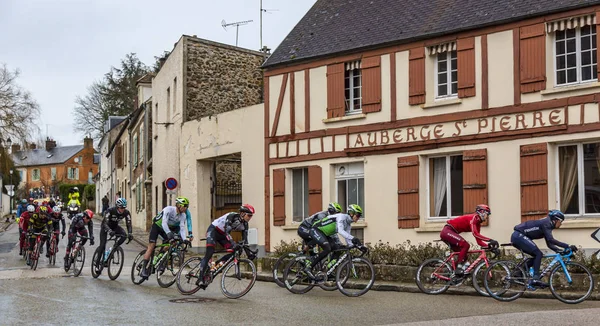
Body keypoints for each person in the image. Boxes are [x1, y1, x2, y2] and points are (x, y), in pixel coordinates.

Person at [512, 209, 576, 288]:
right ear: (556, 220)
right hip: (519, 236)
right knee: (538, 254)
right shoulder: (547, 223)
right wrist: (567, 246)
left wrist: (560, 251)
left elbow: (549, 244)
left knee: (536, 255)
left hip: (518, 236)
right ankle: (535, 278)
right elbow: (551, 240)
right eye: (561, 221)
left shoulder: (548, 224)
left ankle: (518, 273)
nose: (561, 224)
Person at [197, 204, 255, 288]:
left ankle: (215, 266)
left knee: (235, 251)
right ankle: (200, 278)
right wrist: (233, 243)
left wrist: (249, 254)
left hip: (222, 235)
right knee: (209, 252)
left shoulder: (245, 224)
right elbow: (227, 232)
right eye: (249, 215)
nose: (250, 218)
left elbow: (245, 241)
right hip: (214, 230)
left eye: (251, 216)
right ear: (242, 213)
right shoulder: (232, 216)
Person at [304, 204, 363, 280]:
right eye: (357, 215)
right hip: (316, 230)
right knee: (327, 248)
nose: (358, 218)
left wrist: (359, 246)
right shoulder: (341, 217)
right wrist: (354, 238)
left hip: (325, 234)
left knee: (339, 248)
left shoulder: (348, 224)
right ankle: (309, 267)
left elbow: (348, 239)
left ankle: (328, 270)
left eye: (359, 216)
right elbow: (340, 231)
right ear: (351, 213)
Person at [439, 204, 498, 275]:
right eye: (487, 214)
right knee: (466, 245)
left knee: (464, 256)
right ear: (482, 212)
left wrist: (491, 248)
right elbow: (475, 234)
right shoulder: (474, 218)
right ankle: (459, 268)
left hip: (451, 232)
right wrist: (490, 240)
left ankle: (452, 273)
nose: (487, 217)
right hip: (447, 231)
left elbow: (479, 241)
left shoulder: (477, 224)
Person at [140, 197, 190, 279]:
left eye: (187, 207)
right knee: (152, 245)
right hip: (157, 226)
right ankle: (143, 269)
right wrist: (169, 234)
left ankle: (160, 260)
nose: (186, 208)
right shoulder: (168, 210)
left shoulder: (183, 215)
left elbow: (182, 228)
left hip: (167, 229)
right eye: (185, 206)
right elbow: (164, 223)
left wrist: (184, 239)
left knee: (170, 244)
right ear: (178, 205)